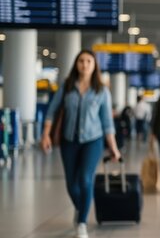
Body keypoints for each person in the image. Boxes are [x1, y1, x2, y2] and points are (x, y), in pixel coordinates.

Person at [40, 49, 121, 238]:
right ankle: (81, 207)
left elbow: (107, 123)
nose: (85, 64)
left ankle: (82, 222)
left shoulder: (102, 91)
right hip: (69, 141)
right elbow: (51, 111)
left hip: (93, 140)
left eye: (89, 61)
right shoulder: (67, 86)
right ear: (76, 64)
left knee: (85, 179)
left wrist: (114, 149)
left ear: (94, 66)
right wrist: (45, 135)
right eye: (81, 61)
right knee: (71, 184)